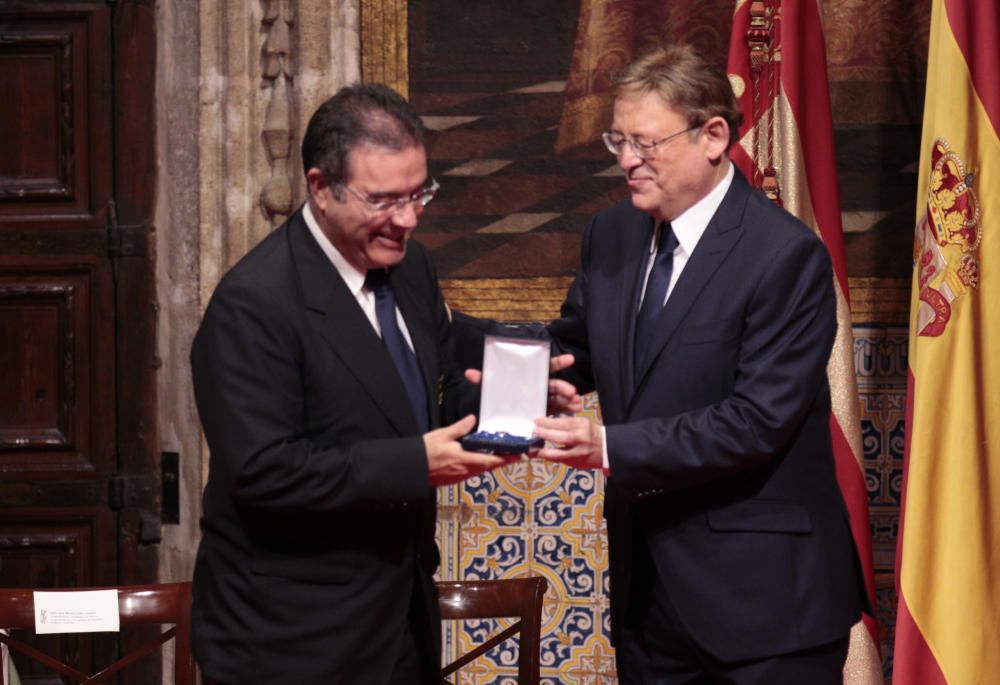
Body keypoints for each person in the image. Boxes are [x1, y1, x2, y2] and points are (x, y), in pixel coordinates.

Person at [189, 83, 577, 684]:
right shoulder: (255, 304)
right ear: (320, 188)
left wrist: (513, 400)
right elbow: (263, 471)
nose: (408, 219)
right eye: (384, 200)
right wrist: (413, 465)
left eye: (419, 193)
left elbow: (428, 396)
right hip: (292, 641)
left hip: (399, 620)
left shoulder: (410, 267)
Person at [527, 44, 868, 683]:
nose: (626, 161)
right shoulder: (612, 236)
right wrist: (467, 356)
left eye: (645, 143)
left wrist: (606, 444)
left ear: (713, 136)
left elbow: (754, 421)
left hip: (767, 610)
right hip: (650, 603)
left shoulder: (784, 257)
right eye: (617, 141)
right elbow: (576, 351)